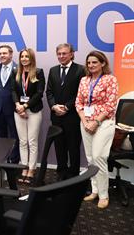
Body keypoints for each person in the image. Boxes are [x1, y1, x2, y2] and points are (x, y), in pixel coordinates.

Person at [76, 51, 118, 209]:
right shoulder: (84, 80)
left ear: (102, 63)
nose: (91, 65)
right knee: (90, 158)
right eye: (89, 63)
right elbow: (78, 102)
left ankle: (103, 195)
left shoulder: (110, 80)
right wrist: (85, 121)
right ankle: (94, 191)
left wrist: (95, 122)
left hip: (104, 123)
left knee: (99, 156)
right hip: (85, 122)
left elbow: (110, 105)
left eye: (94, 62)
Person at [46, 43, 85, 180]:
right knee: (59, 147)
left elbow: (80, 93)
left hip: (72, 116)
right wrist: (53, 106)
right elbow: (49, 91)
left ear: (71, 54)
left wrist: (67, 107)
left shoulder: (81, 70)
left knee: (73, 147)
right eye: (59, 54)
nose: (61, 56)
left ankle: (74, 175)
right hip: (56, 116)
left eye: (64, 53)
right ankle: (61, 173)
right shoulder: (53, 70)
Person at [11, 48, 45, 184]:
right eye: (22, 56)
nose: (24, 59)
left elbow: (39, 93)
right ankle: (24, 167)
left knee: (32, 141)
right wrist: (18, 105)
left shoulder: (38, 72)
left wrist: (25, 106)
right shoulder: (16, 72)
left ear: (31, 58)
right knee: (23, 141)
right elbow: (13, 90)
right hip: (18, 110)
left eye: (27, 56)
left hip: (33, 110)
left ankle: (31, 169)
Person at [0, 45, 20, 163]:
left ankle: (14, 161)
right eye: (0, 53)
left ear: (11, 54)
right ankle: (3, 160)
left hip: (13, 108)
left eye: (4, 53)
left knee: (14, 136)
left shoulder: (18, 68)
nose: (2, 56)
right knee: (1, 137)